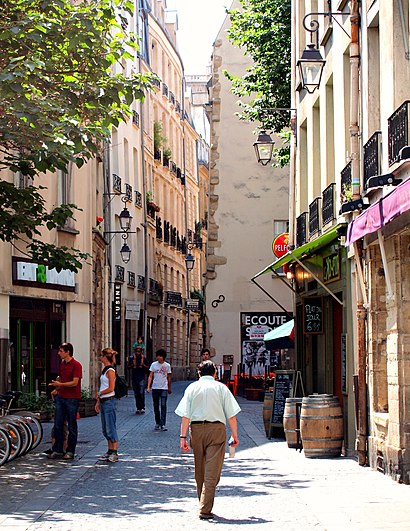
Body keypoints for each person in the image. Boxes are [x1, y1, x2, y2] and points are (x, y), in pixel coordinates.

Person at [175, 360, 241, 520]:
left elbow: (185, 415)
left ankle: (203, 502)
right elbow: (231, 415)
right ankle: (205, 508)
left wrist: (182, 437)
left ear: (199, 374)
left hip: (196, 430)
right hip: (216, 430)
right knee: (212, 470)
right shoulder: (221, 388)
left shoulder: (192, 388)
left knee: (200, 468)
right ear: (215, 373)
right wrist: (235, 435)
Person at [48, 342, 82, 460]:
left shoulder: (76, 365)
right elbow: (61, 377)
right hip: (61, 397)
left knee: (72, 424)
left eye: (61, 351)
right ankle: (58, 449)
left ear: (68, 352)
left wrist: (60, 384)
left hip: (72, 398)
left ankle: (70, 450)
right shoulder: (62, 364)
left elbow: (75, 382)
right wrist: (57, 388)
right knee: (58, 423)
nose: (58, 353)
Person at [95, 348, 119, 463]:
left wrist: (100, 393)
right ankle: (109, 450)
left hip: (109, 401)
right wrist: (98, 401)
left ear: (105, 357)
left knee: (110, 427)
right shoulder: (104, 370)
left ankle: (114, 452)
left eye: (101, 355)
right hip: (104, 401)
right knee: (105, 429)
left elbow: (111, 388)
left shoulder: (110, 370)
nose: (100, 357)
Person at [146, 348, 172, 431]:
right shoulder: (153, 365)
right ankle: (157, 422)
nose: (159, 357)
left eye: (160, 356)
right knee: (156, 406)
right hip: (155, 387)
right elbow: (150, 376)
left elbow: (169, 377)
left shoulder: (167, 366)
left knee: (163, 405)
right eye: (158, 356)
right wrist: (148, 387)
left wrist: (169, 387)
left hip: (164, 387)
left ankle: (163, 424)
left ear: (163, 357)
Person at [128, 345, 148, 414]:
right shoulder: (132, 358)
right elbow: (128, 367)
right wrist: (132, 365)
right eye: (137, 351)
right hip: (134, 378)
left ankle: (142, 407)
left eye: (139, 351)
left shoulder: (144, 358)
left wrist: (143, 365)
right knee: (136, 393)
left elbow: (148, 368)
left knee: (141, 392)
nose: (138, 352)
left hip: (141, 377)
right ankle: (138, 407)